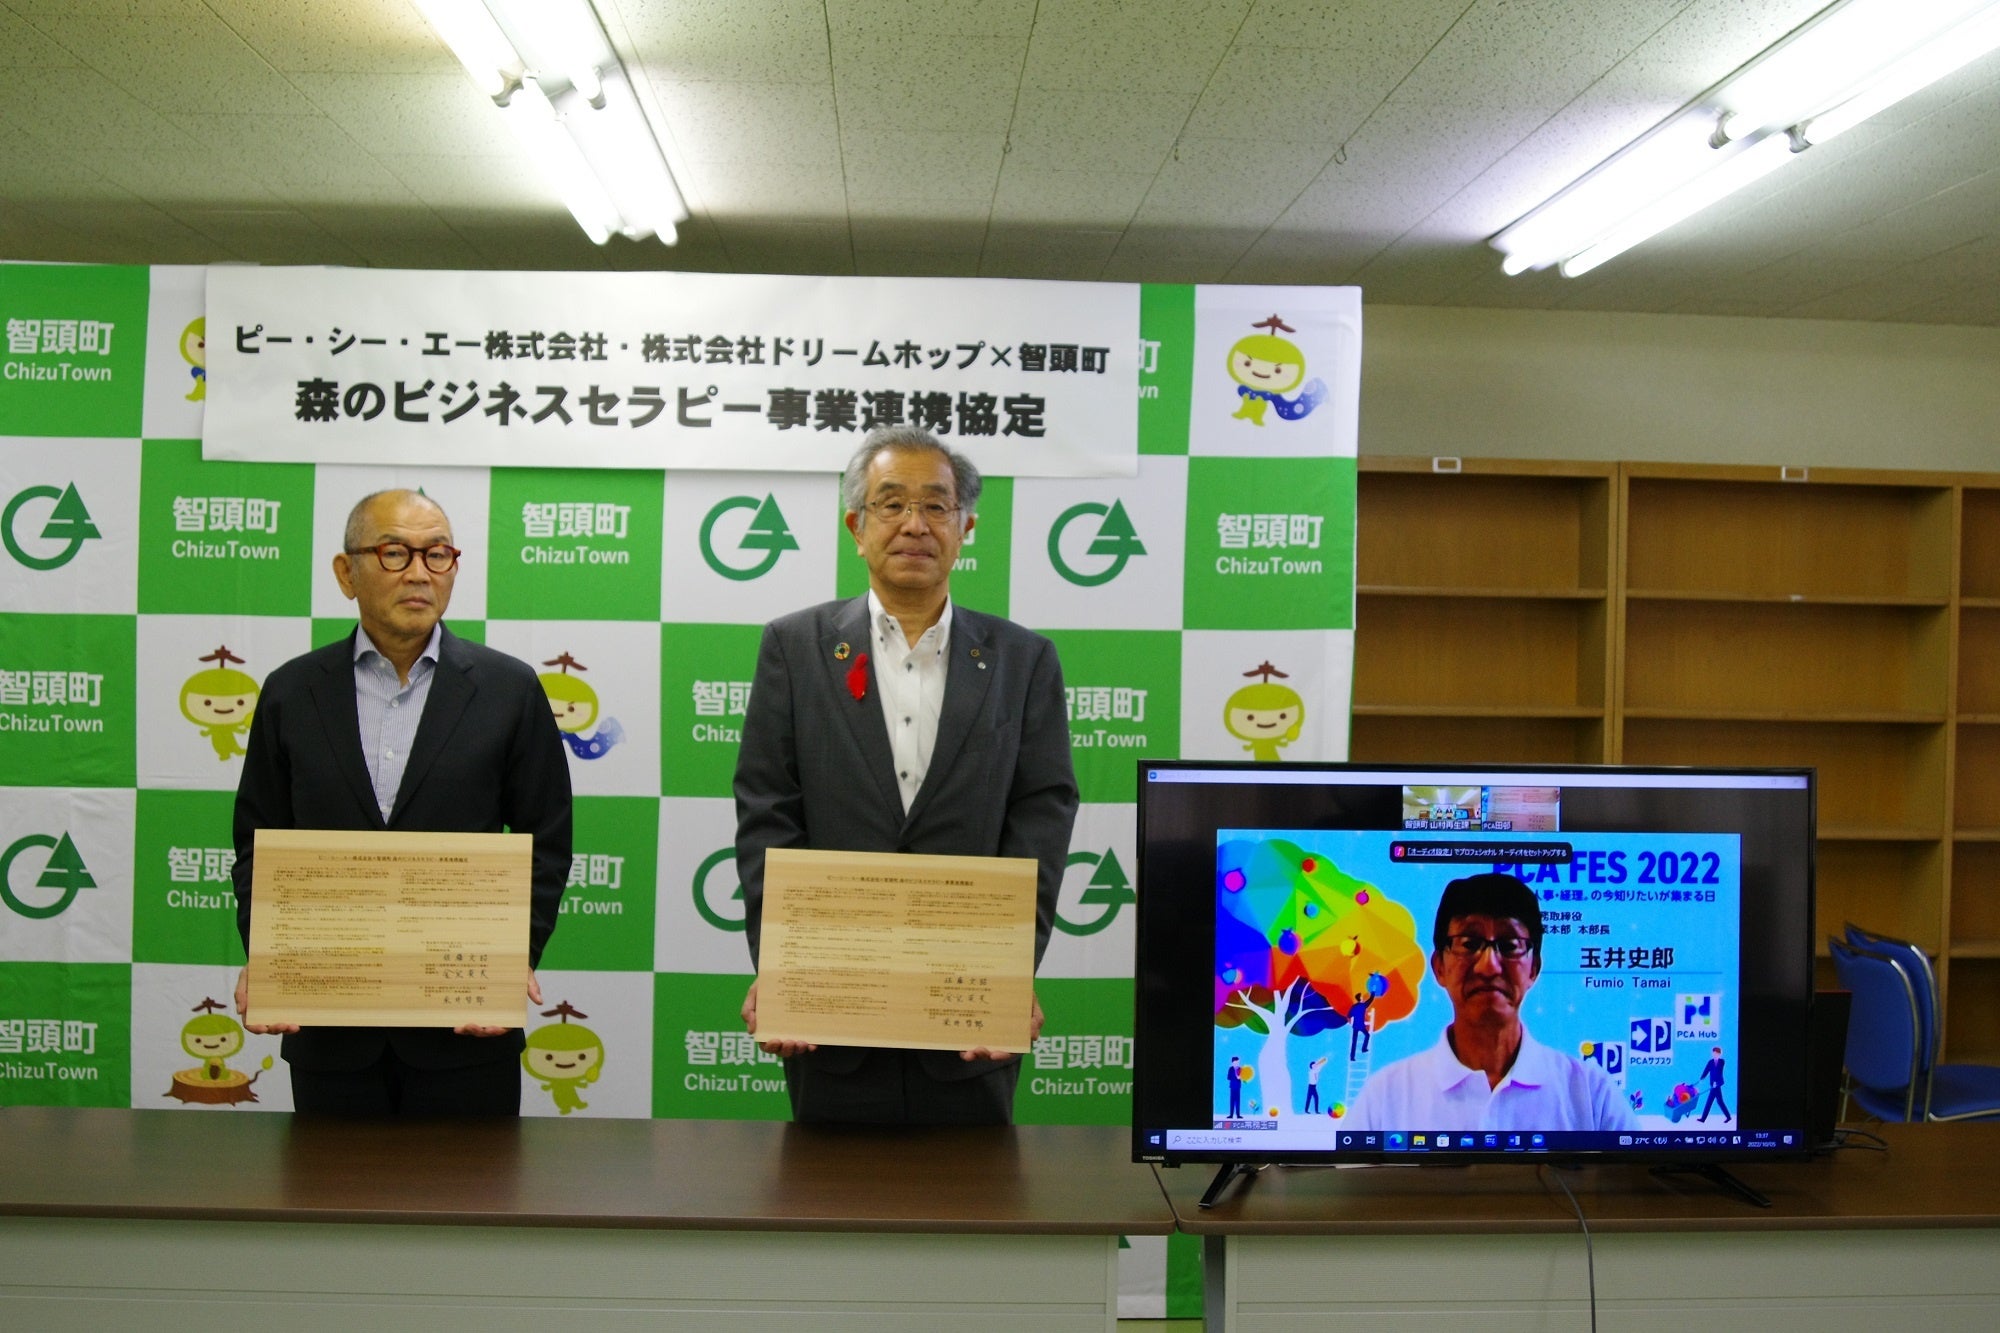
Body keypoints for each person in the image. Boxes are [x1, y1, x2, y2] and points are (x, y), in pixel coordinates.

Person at [735, 426, 1079, 1124]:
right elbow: (768, 811)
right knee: (826, 1185)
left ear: (965, 527)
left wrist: (1010, 969)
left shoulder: (1023, 660)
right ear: (856, 528)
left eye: (936, 505)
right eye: (891, 504)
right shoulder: (793, 648)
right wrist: (783, 967)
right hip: (830, 1013)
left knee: (971, 1190)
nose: (914, 524)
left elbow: (1040, 818)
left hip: (967, 1015)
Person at [231, 489, 572, 1116]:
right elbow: (258, 843)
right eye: (395, 553)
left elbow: (546, 841)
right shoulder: (292, 691)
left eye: (437, 554)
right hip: (330, 1030)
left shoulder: (509, 689)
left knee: (470, 1182)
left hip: (465, 1028)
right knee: (329, 1181)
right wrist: (267, 954)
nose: (419, 573)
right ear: (346, 573)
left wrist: (512, 957)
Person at [1340, 872, 1638, 1133]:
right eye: (1469, 944)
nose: (1489, 966)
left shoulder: (1591, 1094)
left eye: (1509, 945)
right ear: (1439, 966)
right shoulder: (1384, 1096)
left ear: (1534, 969)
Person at [1699, 1045, 1732, 1122]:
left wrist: (1716, 1083)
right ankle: (1728, 1117)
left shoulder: (1721, 1062)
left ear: (1719, 1054)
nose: (1715, 1055)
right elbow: (1706, 1070)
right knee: (1718, 1102)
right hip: (1713, 1085)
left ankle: (1703, 1119)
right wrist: (1702, 1078)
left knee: (1712, 1102)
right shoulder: (1710, 1062)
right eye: (1714, 1053)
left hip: (1717, 1084)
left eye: (1716, 1054)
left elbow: (1718, 1072)